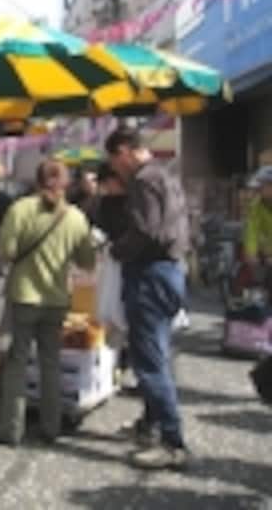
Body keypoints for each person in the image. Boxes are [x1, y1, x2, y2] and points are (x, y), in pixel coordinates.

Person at [0, 159, 96, 446]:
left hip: (24, 296)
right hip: (57, 299)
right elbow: (87, 261)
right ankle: (51, 426)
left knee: (17, 361)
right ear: (66, 184)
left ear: (37, 180)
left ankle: (10, 428)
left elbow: (8, 251)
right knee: (50, 361)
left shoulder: (20, 209)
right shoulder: (76, 218)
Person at [105, 128, 190, 470]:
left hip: (150, 276)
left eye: (114, 159)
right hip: (170, 273)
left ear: (125, 151)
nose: (116, 168)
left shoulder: (143, 180)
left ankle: (173, 442)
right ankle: (150, 426)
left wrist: (116, 249)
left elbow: (145, 231)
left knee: (150, 363)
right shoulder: (166, 175)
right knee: (156, 353)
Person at [242, 170, 272, 290]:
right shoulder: (256, 206)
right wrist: (251, 253)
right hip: (268, 255)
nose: (258, 189)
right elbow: (251, 231)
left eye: (262, 185)